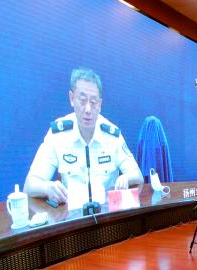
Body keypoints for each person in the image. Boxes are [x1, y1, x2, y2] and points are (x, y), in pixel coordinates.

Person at [25, 68, 143, 206]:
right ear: (71, 98)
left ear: (100, 105)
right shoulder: (58, 135)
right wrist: (47, 188)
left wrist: (126, 178)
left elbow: (138, 177)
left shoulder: (112, 136)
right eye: (82, 100)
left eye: (93, 102)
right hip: (73, 216)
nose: (88, 109)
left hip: (108, 215)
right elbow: (29, 185)